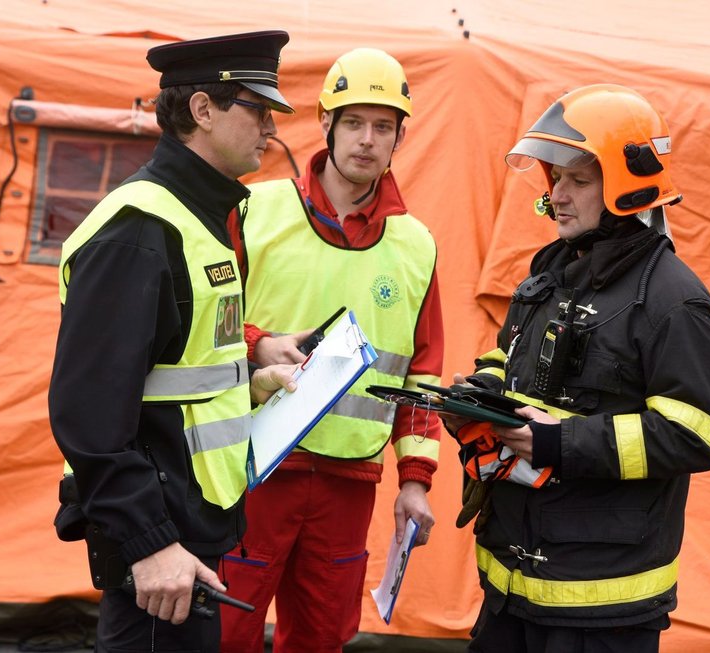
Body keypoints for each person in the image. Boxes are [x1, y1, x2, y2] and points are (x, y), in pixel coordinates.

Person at [452, 84, 710, 652]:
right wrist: (480, 396)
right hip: (511, 585)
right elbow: (509, 357)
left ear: (628, 189)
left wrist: (559, 443)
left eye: (579, 180)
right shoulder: (552, 268)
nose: (557, 194)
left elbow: (699, 433)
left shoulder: (674, 301)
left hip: (600, 605)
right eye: (555, 177)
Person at [48, 31, 300, 653]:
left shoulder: (198, 215)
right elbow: (87, 414)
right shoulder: (140, 229)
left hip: (189, 537)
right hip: (160, 554)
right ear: (202, 110)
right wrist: (151, 544)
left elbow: (177, 374)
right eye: (257, 108)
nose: (270, 128)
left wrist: (249, 382)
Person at [218, 48, 445, 653]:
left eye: (382, 126)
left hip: (351, 483)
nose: (366, 140)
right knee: (222, 634)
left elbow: (422, 372)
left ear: (400, 136)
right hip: (250, 469)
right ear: (325, 123)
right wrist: (260, 346)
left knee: (321, 641)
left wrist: (416, 479)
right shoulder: (254, 211)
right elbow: (202, 329)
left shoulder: (416, 246)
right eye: (353, 122)